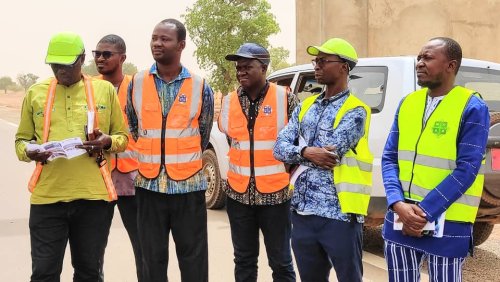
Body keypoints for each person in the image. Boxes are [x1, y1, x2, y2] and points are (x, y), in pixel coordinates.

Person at [15, 32, 128, 281]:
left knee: (89, 272)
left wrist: (106, 141)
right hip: (47, 200)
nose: (60, 71)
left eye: (66, 65)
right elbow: (20, 141)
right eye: (55, 65)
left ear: (82, 59)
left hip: (93, 200)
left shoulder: (103, 90)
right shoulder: (36, 92)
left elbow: (123, 138)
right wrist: (31, 151)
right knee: (44, 273)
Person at [382, 37, 489, 282]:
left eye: (427, 58)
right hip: (400, 219)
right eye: (419, 57)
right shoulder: (408, 102)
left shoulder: (472, 106)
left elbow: (467, 169)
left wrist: (423, 213)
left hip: (447, 224)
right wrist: (398, 204)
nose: (419, 63)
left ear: (451, 66)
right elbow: (389, 158)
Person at [273, 38, 373, 282]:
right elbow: (278, 147)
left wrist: (297, 150)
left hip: (339, 216)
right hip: (303, 212)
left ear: (344, 67)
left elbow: (332, 154)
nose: (316, 66)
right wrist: (306, 152)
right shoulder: (306, 106)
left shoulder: (356, 110)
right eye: (315, 61)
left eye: (323, 61)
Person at [126, 18, 214, 282]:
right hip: (149, 186)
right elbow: (134, 127)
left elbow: (203, 132)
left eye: (165, 39)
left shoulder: (200, 86)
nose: (157, 43)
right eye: (154, 38)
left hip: (188, 188)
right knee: (151, 259)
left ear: (181, 45)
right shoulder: (137, 83)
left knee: (194, 260)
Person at [219, 43, 298, 282]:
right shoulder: (230, 101)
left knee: (281, 263)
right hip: (238, 197)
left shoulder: (286, 99)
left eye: (247, 67)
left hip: (276, 197)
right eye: (238, 67)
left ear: (263, 68)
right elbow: (232, 140)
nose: (241, 71)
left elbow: (298, 143)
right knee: (243, 261)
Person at [93, 34, 143, 281]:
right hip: (99, 177)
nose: (100, 58)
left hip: (133, 179)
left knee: (143, 246)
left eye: (107, 54)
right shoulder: (90, 89)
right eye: (97, 54)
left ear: (122, 58)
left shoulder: (138, 87)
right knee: (93, 247)